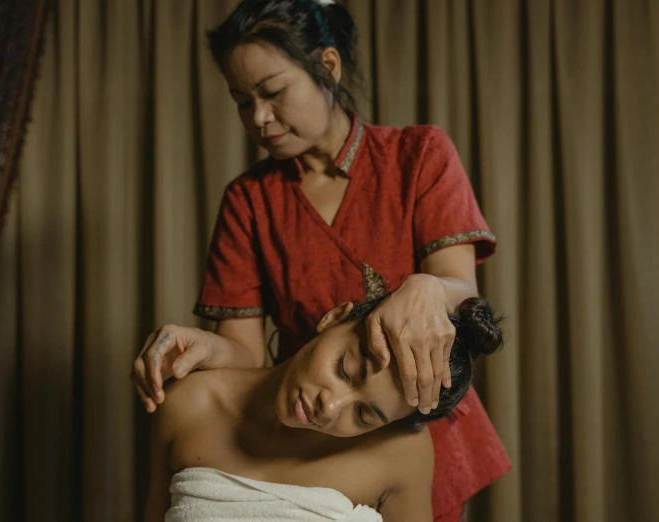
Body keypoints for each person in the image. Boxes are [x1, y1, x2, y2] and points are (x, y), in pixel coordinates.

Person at [131, 0, 510, 519]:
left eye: (273, 93)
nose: (260, 118)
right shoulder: (248, 200)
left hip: (406, 421)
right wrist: (204, 347)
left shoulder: (418, 156)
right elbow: (244, 356)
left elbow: (460, 291)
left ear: (327, 67)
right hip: (315, 426)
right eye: (242, 102)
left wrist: (426, 285)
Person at [145, 296, 503, 522]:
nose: (329, 407)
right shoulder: (189, 405)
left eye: (363, 416)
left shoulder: (401, 452)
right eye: (344, 369)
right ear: (334, 318)